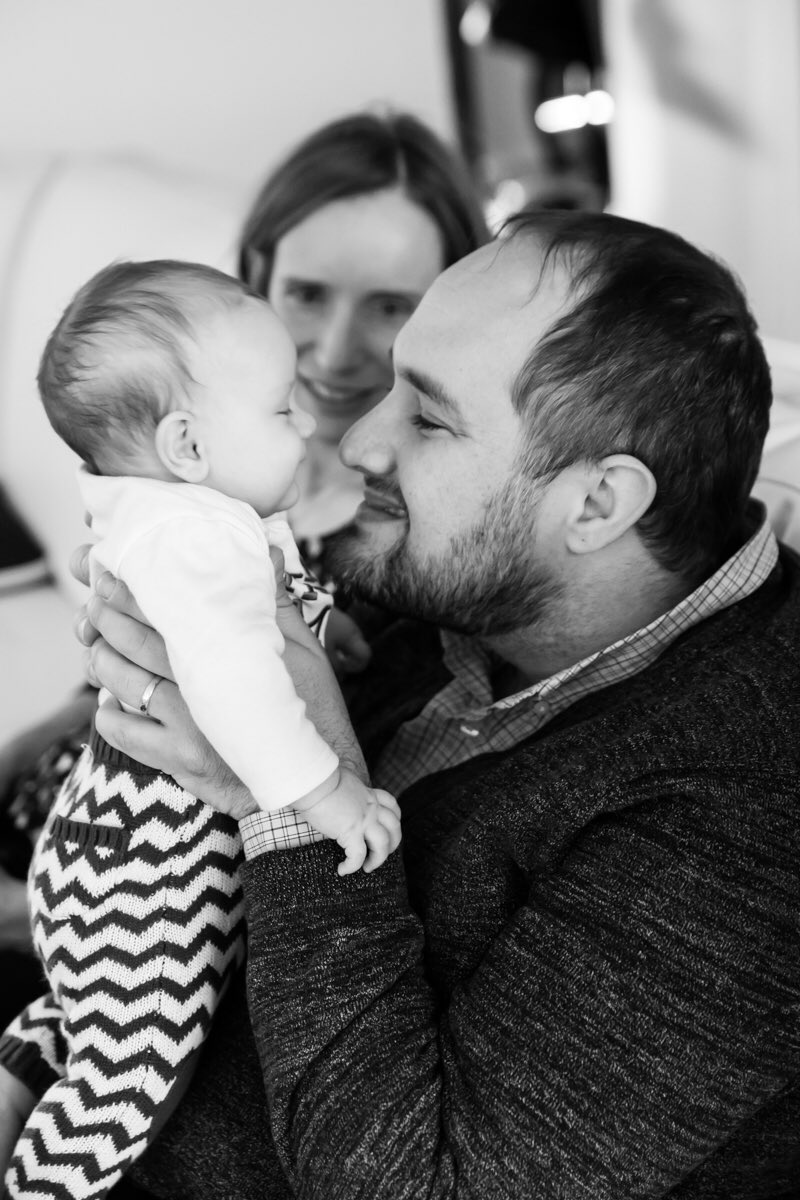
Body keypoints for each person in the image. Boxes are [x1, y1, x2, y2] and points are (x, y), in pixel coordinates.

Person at [0, 106, 488, 1036]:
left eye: (391, 305)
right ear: (257, 280)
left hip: (148, 918)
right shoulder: (206, 469)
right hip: (68, 805)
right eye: (306, 294)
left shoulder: (426, 535)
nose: (333, 350)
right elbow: (121, 664)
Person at [0, 259, 400, 1200]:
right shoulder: (195, 535)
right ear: (186, 443)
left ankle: (36, 1046)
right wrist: (325, 795)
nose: (307, 422)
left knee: (97, 1022)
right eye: (279, 408)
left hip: (114, 851)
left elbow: (266, 615)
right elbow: (233, 678)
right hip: (147, 867)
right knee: (135, 1072)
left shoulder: (198, 514)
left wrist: (320, 626)